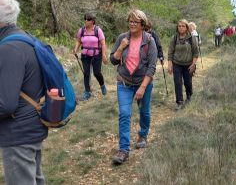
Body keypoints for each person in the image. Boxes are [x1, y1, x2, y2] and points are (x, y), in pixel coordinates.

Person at [0, 0, 48, 184]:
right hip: (31, 126)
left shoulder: (9, 49)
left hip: (18, 134)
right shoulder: (23, 38)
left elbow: (6, 104)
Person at [110, 9, 157, 165]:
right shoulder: (122, 38)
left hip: (143, 83)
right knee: (124, 114)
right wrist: (121, 47)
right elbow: (113, 60)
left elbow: (151, 67)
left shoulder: (150, 41)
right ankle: (123, 149)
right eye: (130, 21)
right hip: (124, 83)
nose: (132, 24)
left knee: (144, 112)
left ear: (142, 24)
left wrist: (143, 87)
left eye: (135, 22)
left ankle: (143, 135)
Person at [73, 12, 107, 101]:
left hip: (96, 55)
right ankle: (87, 92)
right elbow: (78, 41)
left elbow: (103, 44)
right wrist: (75, 49)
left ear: (92, 21)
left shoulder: (97, 30)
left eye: (88, 19)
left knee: (97, 73)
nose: (85, 21)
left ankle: (102, 85)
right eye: (85, 19)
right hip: (85, 56)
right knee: (86, 74)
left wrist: (103, 55)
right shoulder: (82, 30)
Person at [168, 19, 199, 110]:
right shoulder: (174, 38)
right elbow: (170, 52)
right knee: (178, 82)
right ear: (177, 27)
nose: (181, 28)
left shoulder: (191, 38)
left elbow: (196, 52)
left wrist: (193, 64)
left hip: (189, 64)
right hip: (176, 64)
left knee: (188, 82)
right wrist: (170, 65)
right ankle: (179, 102)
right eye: (179, 26)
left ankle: (189, 96)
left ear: (186, 27)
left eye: (183, 26)